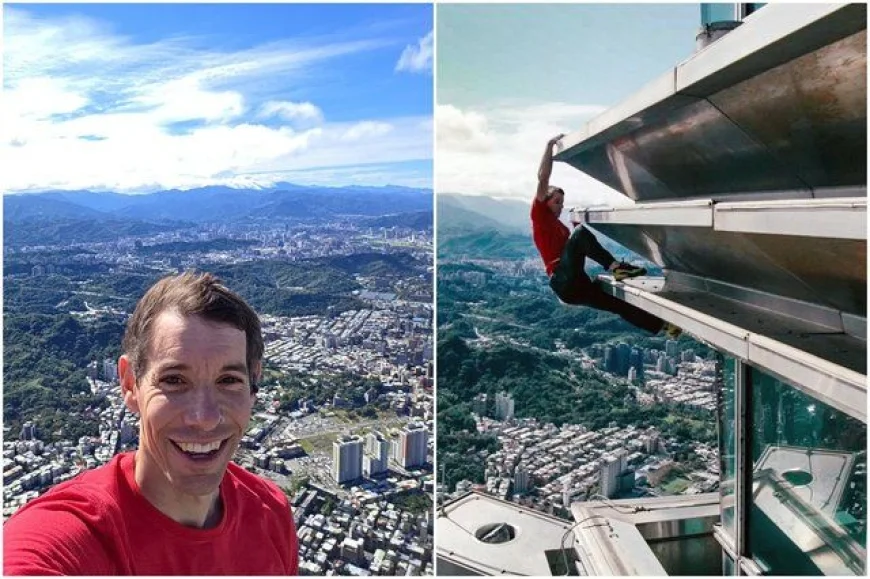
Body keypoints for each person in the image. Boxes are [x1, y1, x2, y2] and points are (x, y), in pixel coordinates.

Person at [4, 272, 299, 575]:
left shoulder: (271, 513)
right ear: (130, 384)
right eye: (174, 380)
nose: (205, 418)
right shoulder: (74, 537)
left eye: (228, 380)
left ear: (254, 385)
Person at [533, 134, 681, 338]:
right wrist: (549, 146)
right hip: (563, 278)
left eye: (562, 202)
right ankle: (616, 267)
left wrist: (578, 222)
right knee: (580, 234)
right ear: (545, 202)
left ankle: (664, 327)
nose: (560, 206)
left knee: (618, 304)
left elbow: (575, 250)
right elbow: (543, 178)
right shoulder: (540, 216)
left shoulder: (561, 228)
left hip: (575, 285)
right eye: (556, 201)